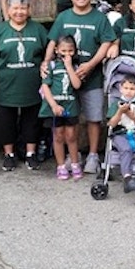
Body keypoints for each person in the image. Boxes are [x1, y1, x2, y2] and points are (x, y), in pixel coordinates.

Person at [45, 0, 117, 175]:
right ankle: (72, 155)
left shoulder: (99, 18)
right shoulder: (63, 17)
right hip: (65, 82)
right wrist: (46, 62)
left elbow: (106, 43)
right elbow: (52, 42)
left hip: (91, 77)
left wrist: (91, 64)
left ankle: (93, 155)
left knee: (94, 118)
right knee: (71, 119)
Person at [0, 0, 48, 172]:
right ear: (8, 9)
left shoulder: (38, 29)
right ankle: (9, 154)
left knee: (32, 120)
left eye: (23, 8)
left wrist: (46, 63)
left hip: (32, 85)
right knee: (6, 120)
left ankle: (30, 153)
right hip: (6, 85)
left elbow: (47, 52)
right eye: (15, 8)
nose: (19, 12)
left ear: (29, 9)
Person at [40, 35, 84, 179]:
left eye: (70, 51)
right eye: (63, 51)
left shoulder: (76, 66)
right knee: (58, 135)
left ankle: (75, 163)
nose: (67, 54)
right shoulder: (51, 66)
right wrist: (53, 105)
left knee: (71, 136)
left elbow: (77, 84)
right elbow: (45, 87)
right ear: (57, 50)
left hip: (70, 105)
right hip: (56, 106)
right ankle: (61, 166)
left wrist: (69, 66)